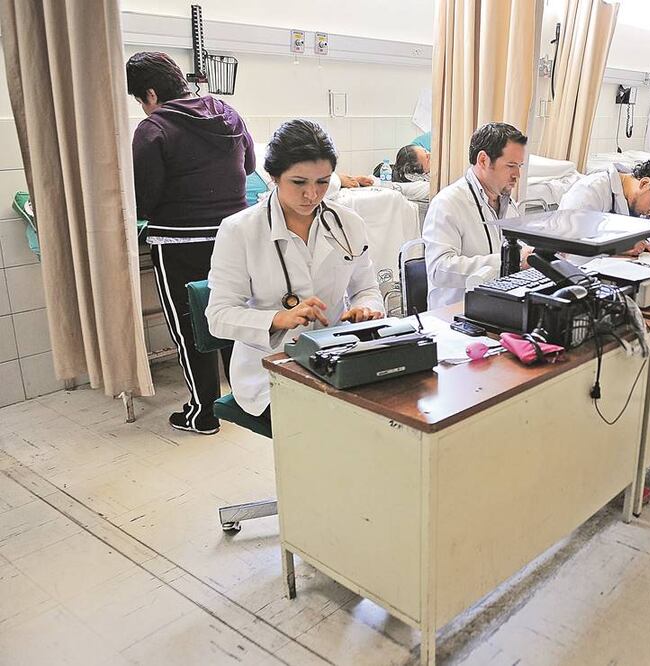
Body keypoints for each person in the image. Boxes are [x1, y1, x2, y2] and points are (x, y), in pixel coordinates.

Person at [206, 120, 384, 422]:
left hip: (337, 355)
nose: (312, 195)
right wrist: (278, 319)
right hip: (270, 368)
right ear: (274, 177)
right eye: (299, 183)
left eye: (323, 182)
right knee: (335, 423)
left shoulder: (348, 223)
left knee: (388, 411)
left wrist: (365, 308)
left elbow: (366, 288)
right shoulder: (240, 230)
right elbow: (218, 316)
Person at [127, 51, 255, 435]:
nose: (143, 108)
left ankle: (203, 413)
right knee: (234, 315)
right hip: (234, 234)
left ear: (150, 92)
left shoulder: (153, 130)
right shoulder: (227, 113)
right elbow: (248, 167)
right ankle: (245, 400)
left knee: (189, 325)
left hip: (180, 241)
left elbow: (143, 200)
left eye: (140, 100)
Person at [422, 122, 528, 309]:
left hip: (498, 307)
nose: (517, 174)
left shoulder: (508, 203)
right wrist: (510, 260)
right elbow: (439, 270)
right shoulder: (448, 203)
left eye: (519, 166)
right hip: (456, 315)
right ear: (483, 160)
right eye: (511, 165)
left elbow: (518, 248)